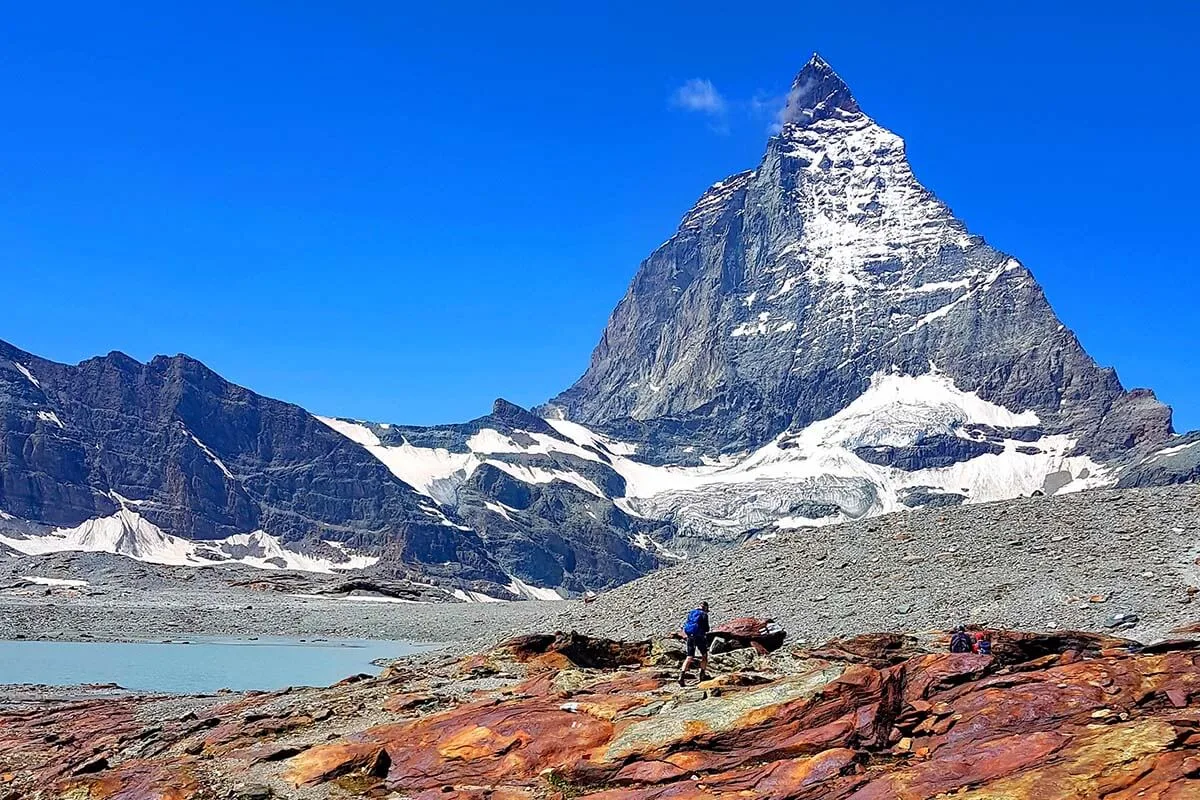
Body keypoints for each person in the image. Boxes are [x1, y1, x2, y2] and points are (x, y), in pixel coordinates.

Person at [679, 601, 711, 685]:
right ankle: (702, 675)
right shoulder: (704, 614)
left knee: (689, 657)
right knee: (704, 655)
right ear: (705, 608)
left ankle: (681, 676)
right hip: (699, 637)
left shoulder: (692, 613)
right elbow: (707, 628)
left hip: (690, 636)